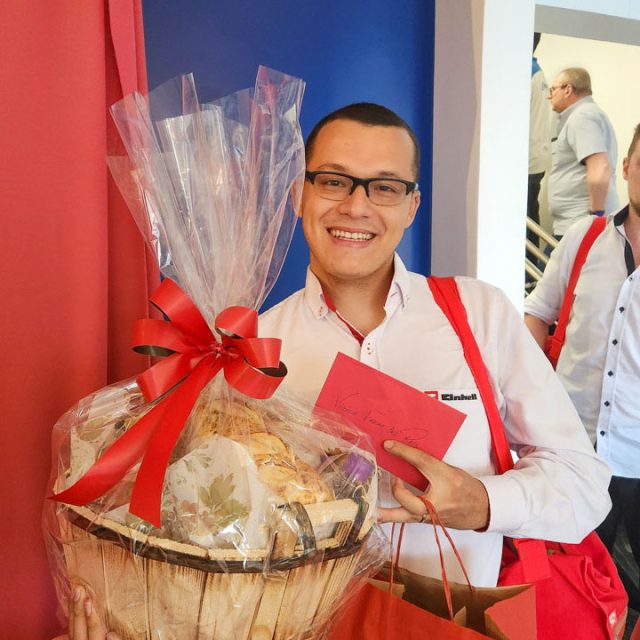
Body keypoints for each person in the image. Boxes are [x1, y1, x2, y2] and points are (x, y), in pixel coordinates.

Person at [56, 103, 612, 639]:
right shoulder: (249, 358)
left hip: (454, 625)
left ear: (412, 205)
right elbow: (200, 529)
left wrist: (484, 502)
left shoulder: (478, 315)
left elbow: (586, 485)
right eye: (334, 181)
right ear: (298, 195)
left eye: (385, 187)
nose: (356, 206)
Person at [525, 123, 640, 599]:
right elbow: (537, 314)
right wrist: (531, 397)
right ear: (627, 168)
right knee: (570, 585)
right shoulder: (585, 237)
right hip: (573, 450)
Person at [547, 67, 618, 240]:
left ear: (568, 89)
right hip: (575, 224)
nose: (549, 96)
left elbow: (599, 167)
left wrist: (595, 220)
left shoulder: (581, 117)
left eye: (553, 89)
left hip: (578, 225)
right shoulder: (589, 114)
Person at [526, 32, 551, 283]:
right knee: (530, 218)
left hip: (526, 164)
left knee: (524, 223)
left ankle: (526, 277)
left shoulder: (525, 73)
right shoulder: (539, 73)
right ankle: (528, 277)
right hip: (536, 161)